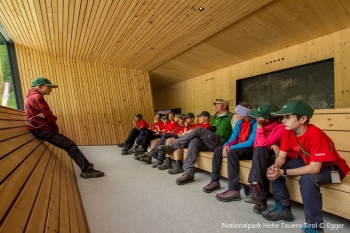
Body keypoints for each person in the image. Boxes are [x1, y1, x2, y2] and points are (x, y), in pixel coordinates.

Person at [262, 100, 350, 233]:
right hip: (309, 162)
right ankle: (283, 207)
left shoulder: (315, 133)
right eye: (282, 117)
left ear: (303, 118)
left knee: (307, 180)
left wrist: (283, 171)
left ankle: (314, 227)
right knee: (274, 168)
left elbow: (315, 169)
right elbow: (281, 156)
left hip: (333, 168)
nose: (283, 121)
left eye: (288, 117)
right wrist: (276, 167)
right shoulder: (288, 131)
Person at [24, 77, 104, 179]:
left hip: (39, 129)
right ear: (39, 86)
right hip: (42, 130)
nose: (51, 89)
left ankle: (86, 168)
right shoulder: (37, 97)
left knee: (70, 144)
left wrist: (43, 116)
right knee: (70, 145)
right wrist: (52, 118)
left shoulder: (31, 97)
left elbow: (42, 115)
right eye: (49, 87)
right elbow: (50, 116)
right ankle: (87, 170)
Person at [158, 98, 233, 185]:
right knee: (194, 141)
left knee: (199, 129)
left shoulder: (231, 117)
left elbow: (237, 132)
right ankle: (189, 173)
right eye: (215, 104)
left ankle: (172, 147)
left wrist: (230, 145)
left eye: (217, 104)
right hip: (212, 142)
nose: (215, 106)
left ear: (224, 105)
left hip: (221, 142)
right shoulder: (216, 117)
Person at [203, 102, 257, 201]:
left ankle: (234, 189)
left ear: (244, 114)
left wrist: (232, 148)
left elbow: (251, 142)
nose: (236, 115)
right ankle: (215, 180)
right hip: (238, 148)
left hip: (250, 150)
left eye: (238, 113)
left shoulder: (255, 124)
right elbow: (233, 138)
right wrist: (226, 146)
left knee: (232, 153)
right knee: (218, 149)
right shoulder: (239, 123)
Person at [242, 103, 285, 214]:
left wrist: (260, 127)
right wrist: (271, 145)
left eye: (259, 116)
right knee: (260, 154)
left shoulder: (280, 127)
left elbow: (261, 144)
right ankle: (257, 192)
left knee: (261, 157)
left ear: (266, 119)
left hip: (278, 157)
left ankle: (260, 198)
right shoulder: (262, 126)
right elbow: (257, 145)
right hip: (262, 155)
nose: (256, 118)